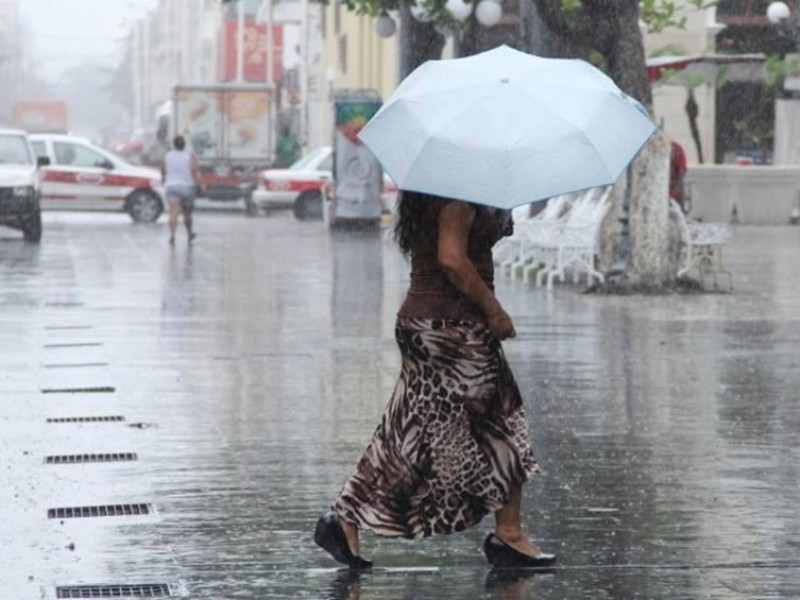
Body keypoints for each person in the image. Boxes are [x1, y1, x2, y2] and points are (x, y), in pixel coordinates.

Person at [314, 191, 556, 570]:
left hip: (425, 323)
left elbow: (457, 245)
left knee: (405, 431)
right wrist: (494, 311)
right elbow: (451, 258)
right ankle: (509, 535)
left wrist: (495, 216)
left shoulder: (437, 191)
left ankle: (344, 517)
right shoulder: (457, 195)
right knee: (501, 421)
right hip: (452, 328)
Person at [162, 135, 203, 245]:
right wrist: (201, 184)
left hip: (171, 186)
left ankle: (172, 235)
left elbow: (163, 170)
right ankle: (189, 233)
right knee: (187, 213)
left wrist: (164, 180)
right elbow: (195, 171)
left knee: (173, 212)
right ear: (184, 144)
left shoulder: (168, 156)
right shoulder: (190, 156)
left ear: (174, 144)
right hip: (187, 187)